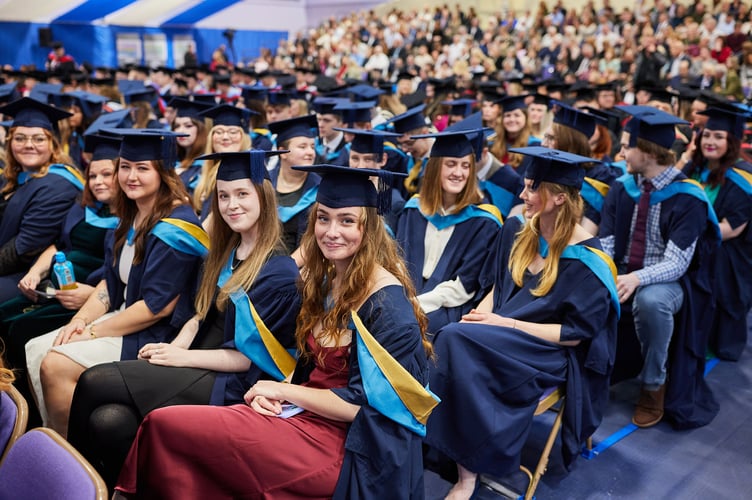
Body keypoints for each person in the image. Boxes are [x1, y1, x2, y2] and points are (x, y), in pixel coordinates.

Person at [114, 164, 437, 499]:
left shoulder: (387, 308)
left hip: (350, 446)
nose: (331, 231)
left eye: (347, 220)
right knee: (165, 426)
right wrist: (279, 391)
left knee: (168, 429)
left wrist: (285, 393)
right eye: (323, 218)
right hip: (302, 417)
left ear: (369, 229)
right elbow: (313, 373)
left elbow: (368, 406)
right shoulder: (326, 281)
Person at [67, 149, 301, 488]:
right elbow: (197, 314)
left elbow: (250, 356)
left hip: (234, 382)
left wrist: (180, 358)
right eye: (223, 196)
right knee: (109, 422)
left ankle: (71, 488)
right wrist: (174, 344)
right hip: (198, 360)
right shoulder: (225, 252)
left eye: (242, 194)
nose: (231, 204)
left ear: (263, 196)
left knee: (93, 381)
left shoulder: (277, 272)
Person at [424, 146, 619, 499]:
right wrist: (478, 319)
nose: (522, 194)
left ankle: (467, 475)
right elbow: (499, 290)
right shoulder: (519, 231)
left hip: (546, 351)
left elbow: (573, 336)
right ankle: (455, 455)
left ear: (559, 197)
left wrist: (503, 325)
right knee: (452, 334)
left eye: (531, 188)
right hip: (502, 333)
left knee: (454, 340)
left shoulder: (591, 260)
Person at [24, 129, 208, 437]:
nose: (131, 176)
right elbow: (111, 284)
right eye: (125, 167)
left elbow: (157, 308)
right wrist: (80, 320)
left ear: (163, 173)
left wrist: (92, 332)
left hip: (154, 332)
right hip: (123, 316)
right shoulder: (131, 216)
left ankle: (74, 458)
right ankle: (52, 442)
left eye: (142, 168)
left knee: (55, 364)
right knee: (36, 347)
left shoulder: (176, 227)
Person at [599, 105, 720, 429]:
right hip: (624, 269)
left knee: (651, 301)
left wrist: (636, 279)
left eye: (627, 146)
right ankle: (589, 375)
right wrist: (607, 274)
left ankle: (654, 385)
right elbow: (607, 242)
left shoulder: (688, 197)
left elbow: (677, 263)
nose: (621, 151)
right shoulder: (622, 187)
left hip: (667, 280)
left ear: (648, 151)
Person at [0, 134, 119, 425]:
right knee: (4, 316)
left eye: (107, 174)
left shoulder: (129, 220)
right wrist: (35, 272)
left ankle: (31, 418)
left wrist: (90, 294)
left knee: (21, 330)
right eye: (93, 175)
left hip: (88, 293)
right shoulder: (84, 206)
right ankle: (12, 409)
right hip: (57, 285)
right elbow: (58, 246)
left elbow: (121, 277)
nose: (98, 181)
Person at [397, 130, 502, 333]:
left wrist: (417, 304)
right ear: (436, 168)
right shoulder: (413, 210)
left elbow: (465, 285)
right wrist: (402, 300)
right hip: (406, 295)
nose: (459, 173)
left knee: (423, 326)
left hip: (448, 306)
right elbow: (398, 260)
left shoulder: (483, 222)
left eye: (466, 166)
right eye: (451, 164)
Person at [682, 107, 752, 361]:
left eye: (718, 137)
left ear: (732, 141)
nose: (710, 142)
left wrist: (686, 236)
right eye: (707, 134)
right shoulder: (695, 168)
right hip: (692, 244)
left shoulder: (743, 178)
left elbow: (731, 229)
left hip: (725, 254)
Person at [0, 97, 82, 303]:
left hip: (30, 274)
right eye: (20, 138)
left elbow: (23, 251)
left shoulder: (58, 185)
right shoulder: (12, 176)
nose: (28, 145)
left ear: (52, 144)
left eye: (38, 139)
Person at [542, 101, 618, 236]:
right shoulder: (544, 166)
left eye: (551, 138)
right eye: (545, 137)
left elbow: (586, 233)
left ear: (569, 142)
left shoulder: (601, 176)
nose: (543, 144)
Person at [267, 114, 319, 256]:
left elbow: (314, 240)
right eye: (302, 147)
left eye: (312, 147)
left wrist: (288, 268)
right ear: (283, 152)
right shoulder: (263, 183)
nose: (310, 152)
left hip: (301, 267)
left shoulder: (320, 189)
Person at [193, 104, 253, 221]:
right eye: (219, 132)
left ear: (243, 136)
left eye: (233, 132)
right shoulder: (204, 171)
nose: (225, 137)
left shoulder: (249, 169)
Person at [168, 97, 211, 199]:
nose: (181, 131)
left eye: (188, 126)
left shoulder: (206, 164)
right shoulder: (171, 160)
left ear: (201, 129)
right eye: (177, 126)